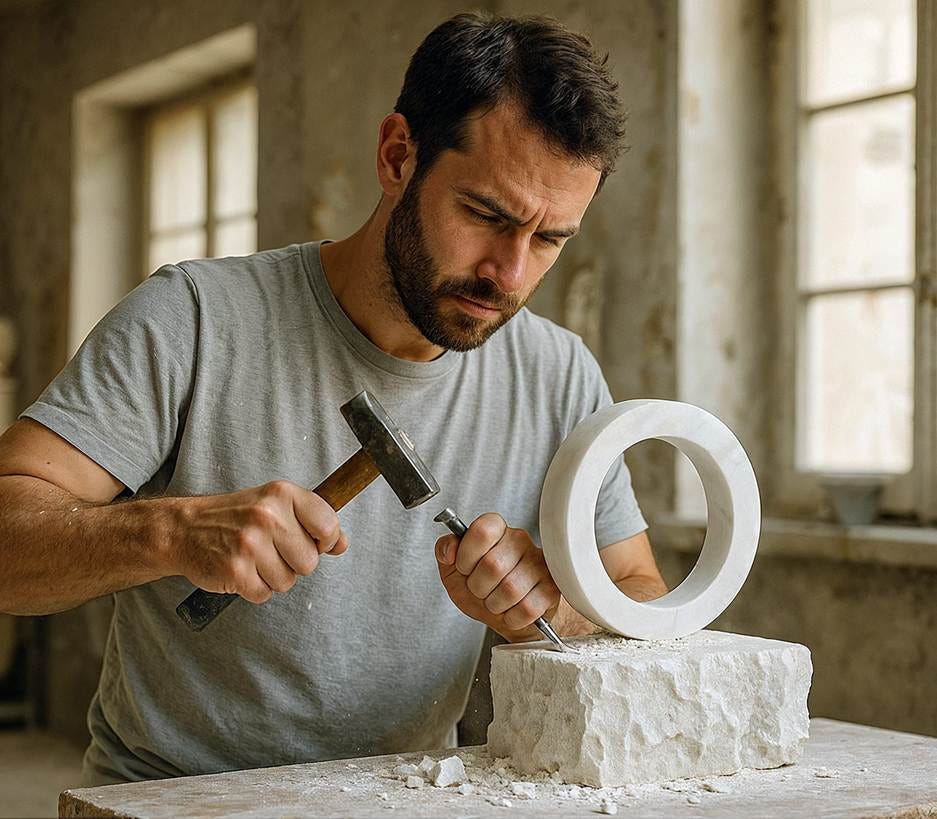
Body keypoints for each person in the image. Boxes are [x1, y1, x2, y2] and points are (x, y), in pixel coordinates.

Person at [0, 11, 667, 785]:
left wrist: (554, 605)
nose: (509, 274)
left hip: (408, 794)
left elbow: (642, 596)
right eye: (486, 215)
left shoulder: (558, 374)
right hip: (176, 796)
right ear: (396, 156)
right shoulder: (193, 317)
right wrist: (170, 531)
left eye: (549, 239)